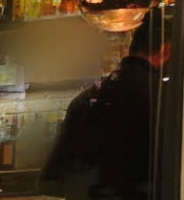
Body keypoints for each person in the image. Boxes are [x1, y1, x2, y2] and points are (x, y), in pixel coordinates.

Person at [42, 14, 169, 200]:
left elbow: (52, 182)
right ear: (166, 50)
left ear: (131, 48)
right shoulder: (165, 98)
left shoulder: (85, 99)